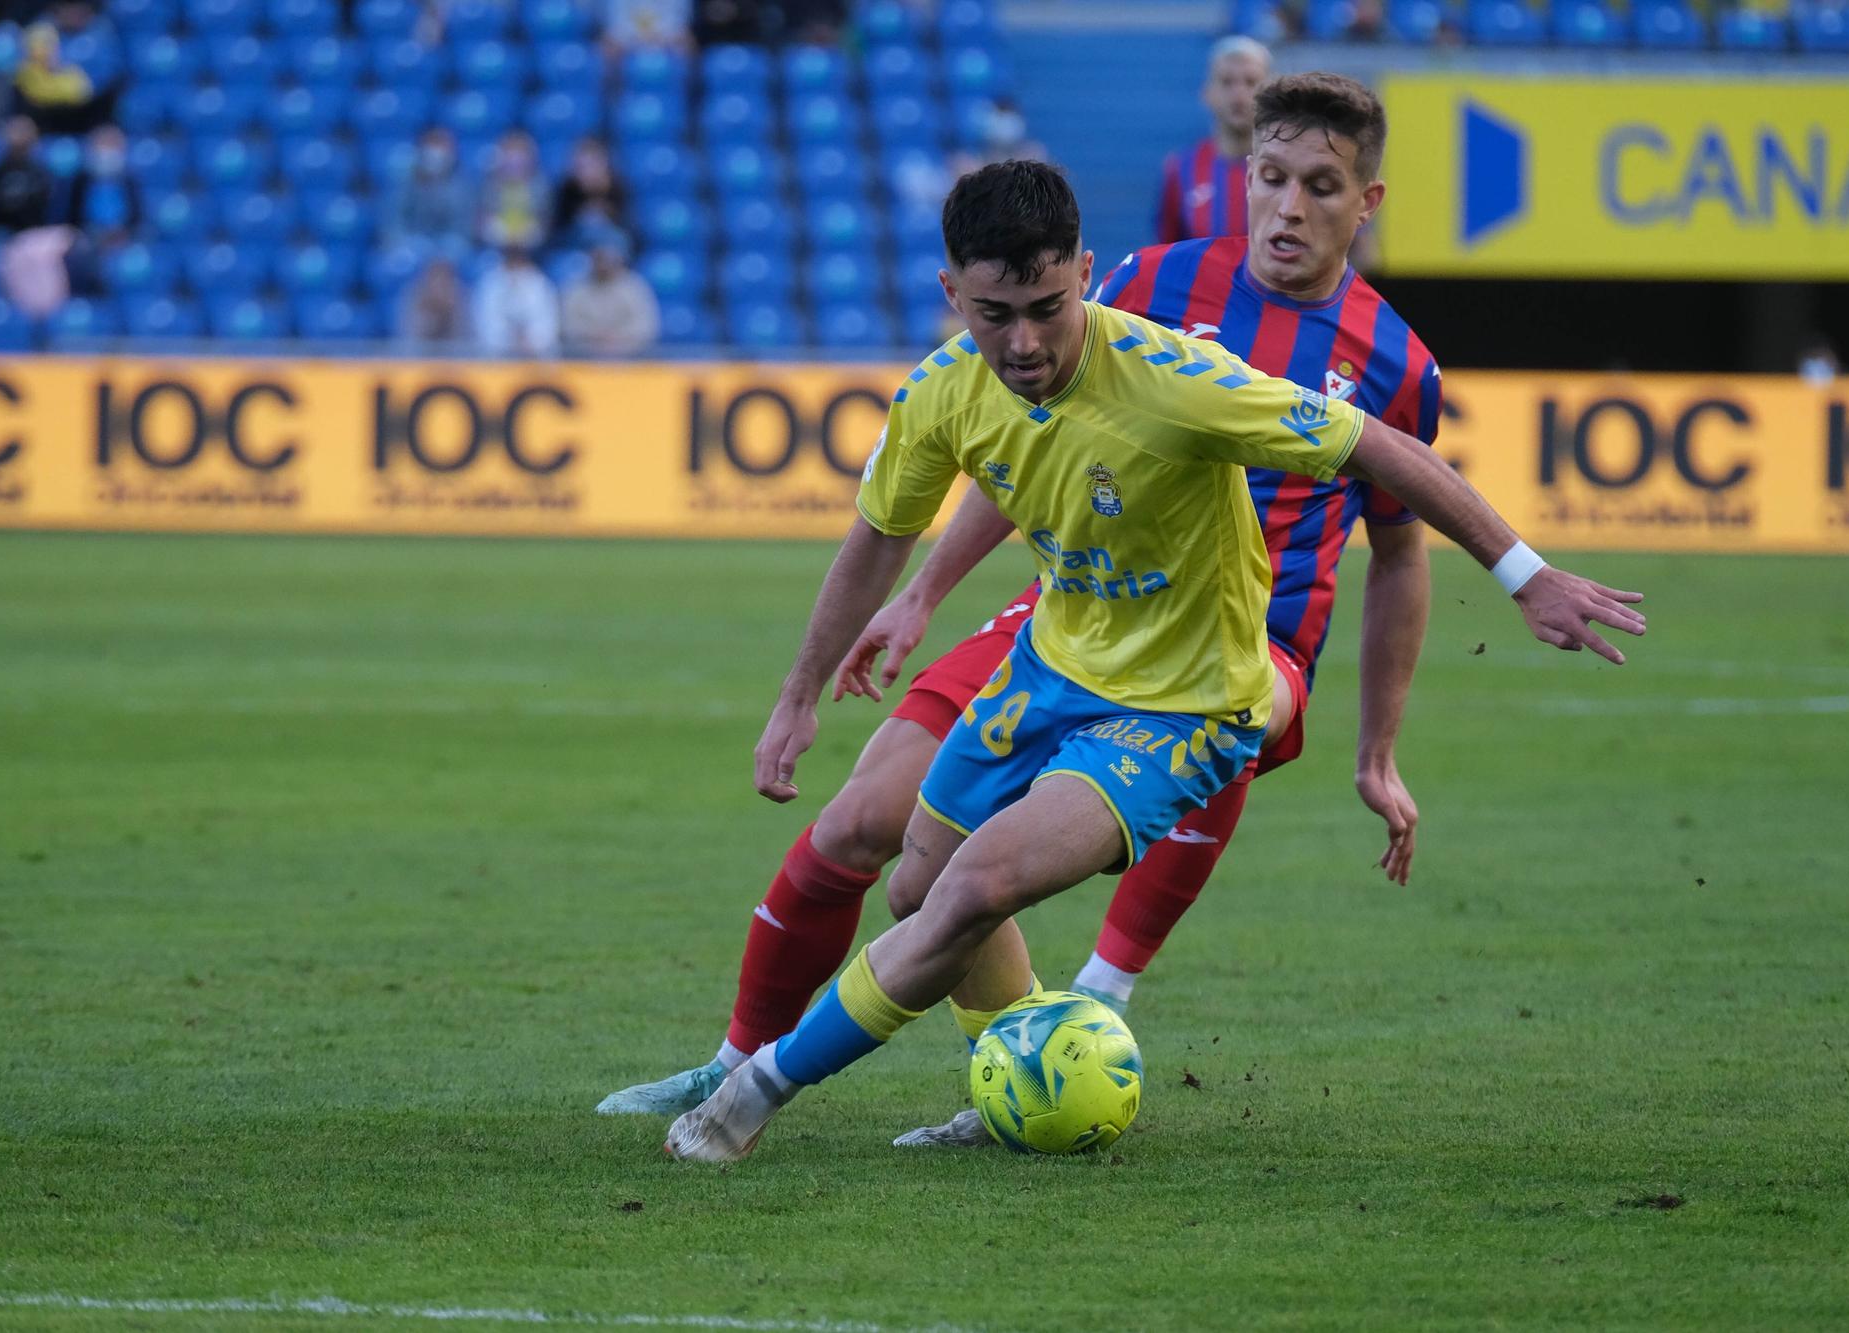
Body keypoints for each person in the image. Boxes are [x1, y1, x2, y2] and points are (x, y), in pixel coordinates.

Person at [661, 159, 1644, 1162]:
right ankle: (1028, 1077)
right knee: (917, 890)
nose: (1025, 342)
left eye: (1049, 307)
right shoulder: (942, 394)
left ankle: (753, 1091)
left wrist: (1524, 575)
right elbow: (876, 537)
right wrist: (796, 698)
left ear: (1085, 272)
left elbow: (1379, 450)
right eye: (993, 314)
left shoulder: (1179, 377)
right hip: (1046, 669)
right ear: (950, 293)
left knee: (970, 888)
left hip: (1185, 704)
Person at [598, 74, 1443, 1133]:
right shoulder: (1152, 282)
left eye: (1317, 185)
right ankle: (755, 1057)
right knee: (868, 824)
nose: (1285, 205)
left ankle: (1087, 999)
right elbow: (1037, 440)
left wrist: (1378, 749)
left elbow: (1401, 555)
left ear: (1361, 202)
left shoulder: (1398, 363)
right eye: (1268, 177)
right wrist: (920, 596)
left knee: (1164, 756)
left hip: (1249, 644)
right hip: (1079, 604)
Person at [1154, 35, 1270, 245]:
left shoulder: (1287, 168)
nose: (1239, 94)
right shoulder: (1181, 169)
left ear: (1270, 93)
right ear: (1208, 93)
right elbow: (1166, 253)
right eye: (1227, 82)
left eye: (1250, 82)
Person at [561, 226, 659, 356]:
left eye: (607, 257)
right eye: (598, 257)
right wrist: (594, 337)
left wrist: (618, 340)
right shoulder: (576, 288)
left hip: (629, 362)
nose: (603, 263)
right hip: (584, 362)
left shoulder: (635, 287)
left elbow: (646, 328)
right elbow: (567, 326)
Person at [383, 128, 468, 251]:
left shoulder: (462, 187)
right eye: (432, 146)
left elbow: (461, 227)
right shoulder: (404, 182)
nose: (435, 154)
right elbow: (393, 221)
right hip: (409, 245)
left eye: (441, 147)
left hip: (447, 247)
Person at [472, 245, 560, 357]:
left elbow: (549, 323)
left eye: (518, 257)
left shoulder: (540, 283)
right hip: (497, 358)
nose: (515, 262)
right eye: (512, 257)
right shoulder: (490, 283)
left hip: (535, 355)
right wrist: (510, 339)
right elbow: (485, 322)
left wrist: (531, 339)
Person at [476, 129, 549, 251]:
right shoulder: (489, 185)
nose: (515, 159)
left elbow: (544, 222)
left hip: (531, 248)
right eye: (510, 153)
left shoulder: (541, 186)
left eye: (520, 153)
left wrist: (525, 235)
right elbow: (481, 220)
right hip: (495, 245)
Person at [550, 136, 628, 247]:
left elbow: (628, 227)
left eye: (592, 164)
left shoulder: (617, 188)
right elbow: (558, 230)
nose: (588, 170)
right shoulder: (567, 189)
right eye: (582, 166)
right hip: (575, 244)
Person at [0, 115, 54, 233]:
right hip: (1, 232)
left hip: (34, 231)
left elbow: (44, 205)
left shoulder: (41, 171)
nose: (18, 137)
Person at [397, 256, 472, 347]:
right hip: (419, 357)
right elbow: (411, 339)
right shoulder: (414, 297)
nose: (440, 285)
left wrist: (450, 313)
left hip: (454, 358)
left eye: (445, 280)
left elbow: (465, 341)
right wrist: (433, 313)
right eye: (436, 278)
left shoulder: (461, 297)